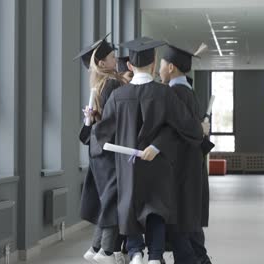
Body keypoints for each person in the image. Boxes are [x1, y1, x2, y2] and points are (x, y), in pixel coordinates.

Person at [91, 37, 204, 264]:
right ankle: (154, 256)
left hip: (128, 167)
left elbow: (101, 135)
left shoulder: (117, 96)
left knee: (130, 206)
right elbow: (188, 129)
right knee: (156, 209)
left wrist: (93, 120)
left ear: (130, 66)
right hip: (158, 166)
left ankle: (135, 254)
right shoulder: (166, 94)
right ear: (153, 64)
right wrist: (156, 145)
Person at [158, 44, 214, 264]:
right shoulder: (188, 91)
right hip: (191, 168)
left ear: (171, 67)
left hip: (179, 170)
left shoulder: (173, 93)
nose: (158, 69)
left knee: (180, 225)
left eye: (161, 65)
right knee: (190, 225)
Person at [74, 33, 127, 264]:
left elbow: (98, 122)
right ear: (101, 63)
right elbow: (114, 120)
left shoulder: (98, 84)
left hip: (97, 153)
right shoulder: (112, 83)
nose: (116, 60)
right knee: (113, 200)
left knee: (107, 200)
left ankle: (96, 247)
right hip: (110, 151)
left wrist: (94, 118)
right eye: (112, 57)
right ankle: (105, 251)